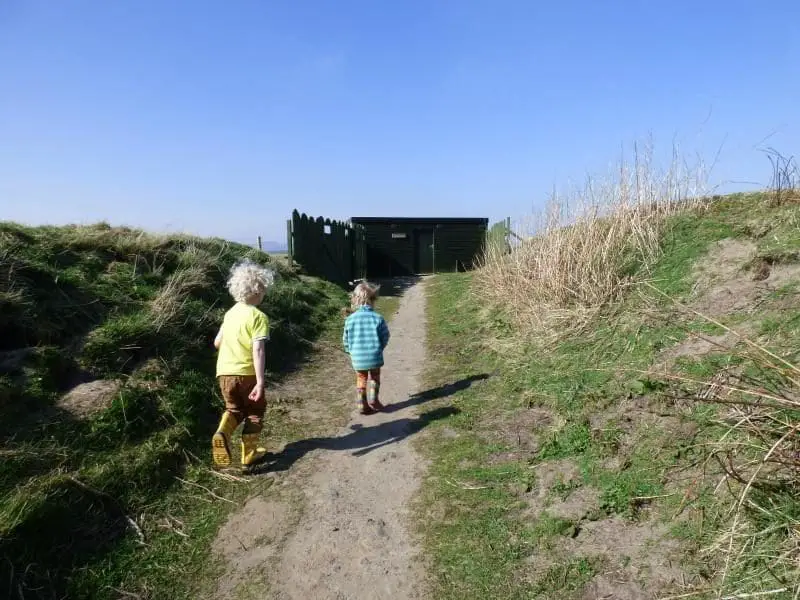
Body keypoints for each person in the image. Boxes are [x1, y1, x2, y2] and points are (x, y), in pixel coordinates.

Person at [212, 260, 275, 472]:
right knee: (255, 411)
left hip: (224, 374)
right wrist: (260, 381)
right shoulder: (258, 317)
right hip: (246, 373)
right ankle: (248, 455)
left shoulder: (230, 314)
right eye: (263, 290)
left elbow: (217, 342)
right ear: (258, 291)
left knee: (234, 409)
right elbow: (258, 350)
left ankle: (223, 432)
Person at [343, 281, 390, 414]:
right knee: (375, 377)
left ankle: (361, 403)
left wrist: (350, 350)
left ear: (355, 299)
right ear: (373, 300)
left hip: (358, 357)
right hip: (375, 355)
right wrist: (380, 347)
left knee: (361, 378)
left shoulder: (350, 319)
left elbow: (346, 339)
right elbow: (385, 336)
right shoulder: (378, 318)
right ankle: (374, 400)